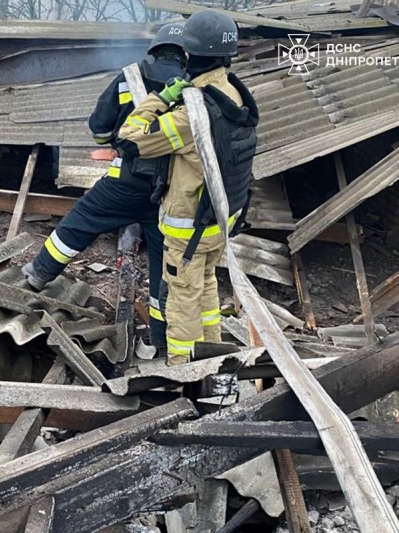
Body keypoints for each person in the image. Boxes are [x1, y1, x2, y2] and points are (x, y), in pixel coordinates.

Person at [22, 22, 186, 352]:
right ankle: (159, 335)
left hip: (124, 183)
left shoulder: (130, 76)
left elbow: (99, 127)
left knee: (79, 223)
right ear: (185, 55)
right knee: (164, 265)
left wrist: (117, 142)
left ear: (153, 50)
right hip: (170, 191)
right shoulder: (193, 84)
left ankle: (40, 273)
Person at [117, 12, 259, 366]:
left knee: (181, 296)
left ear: (190, 56)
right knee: (205, 284)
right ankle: (214, 354)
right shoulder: (233, 94)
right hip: (220, 220)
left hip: (188, 226)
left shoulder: (193, 112)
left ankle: (185, 372)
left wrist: (160, 100)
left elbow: (129, 139)